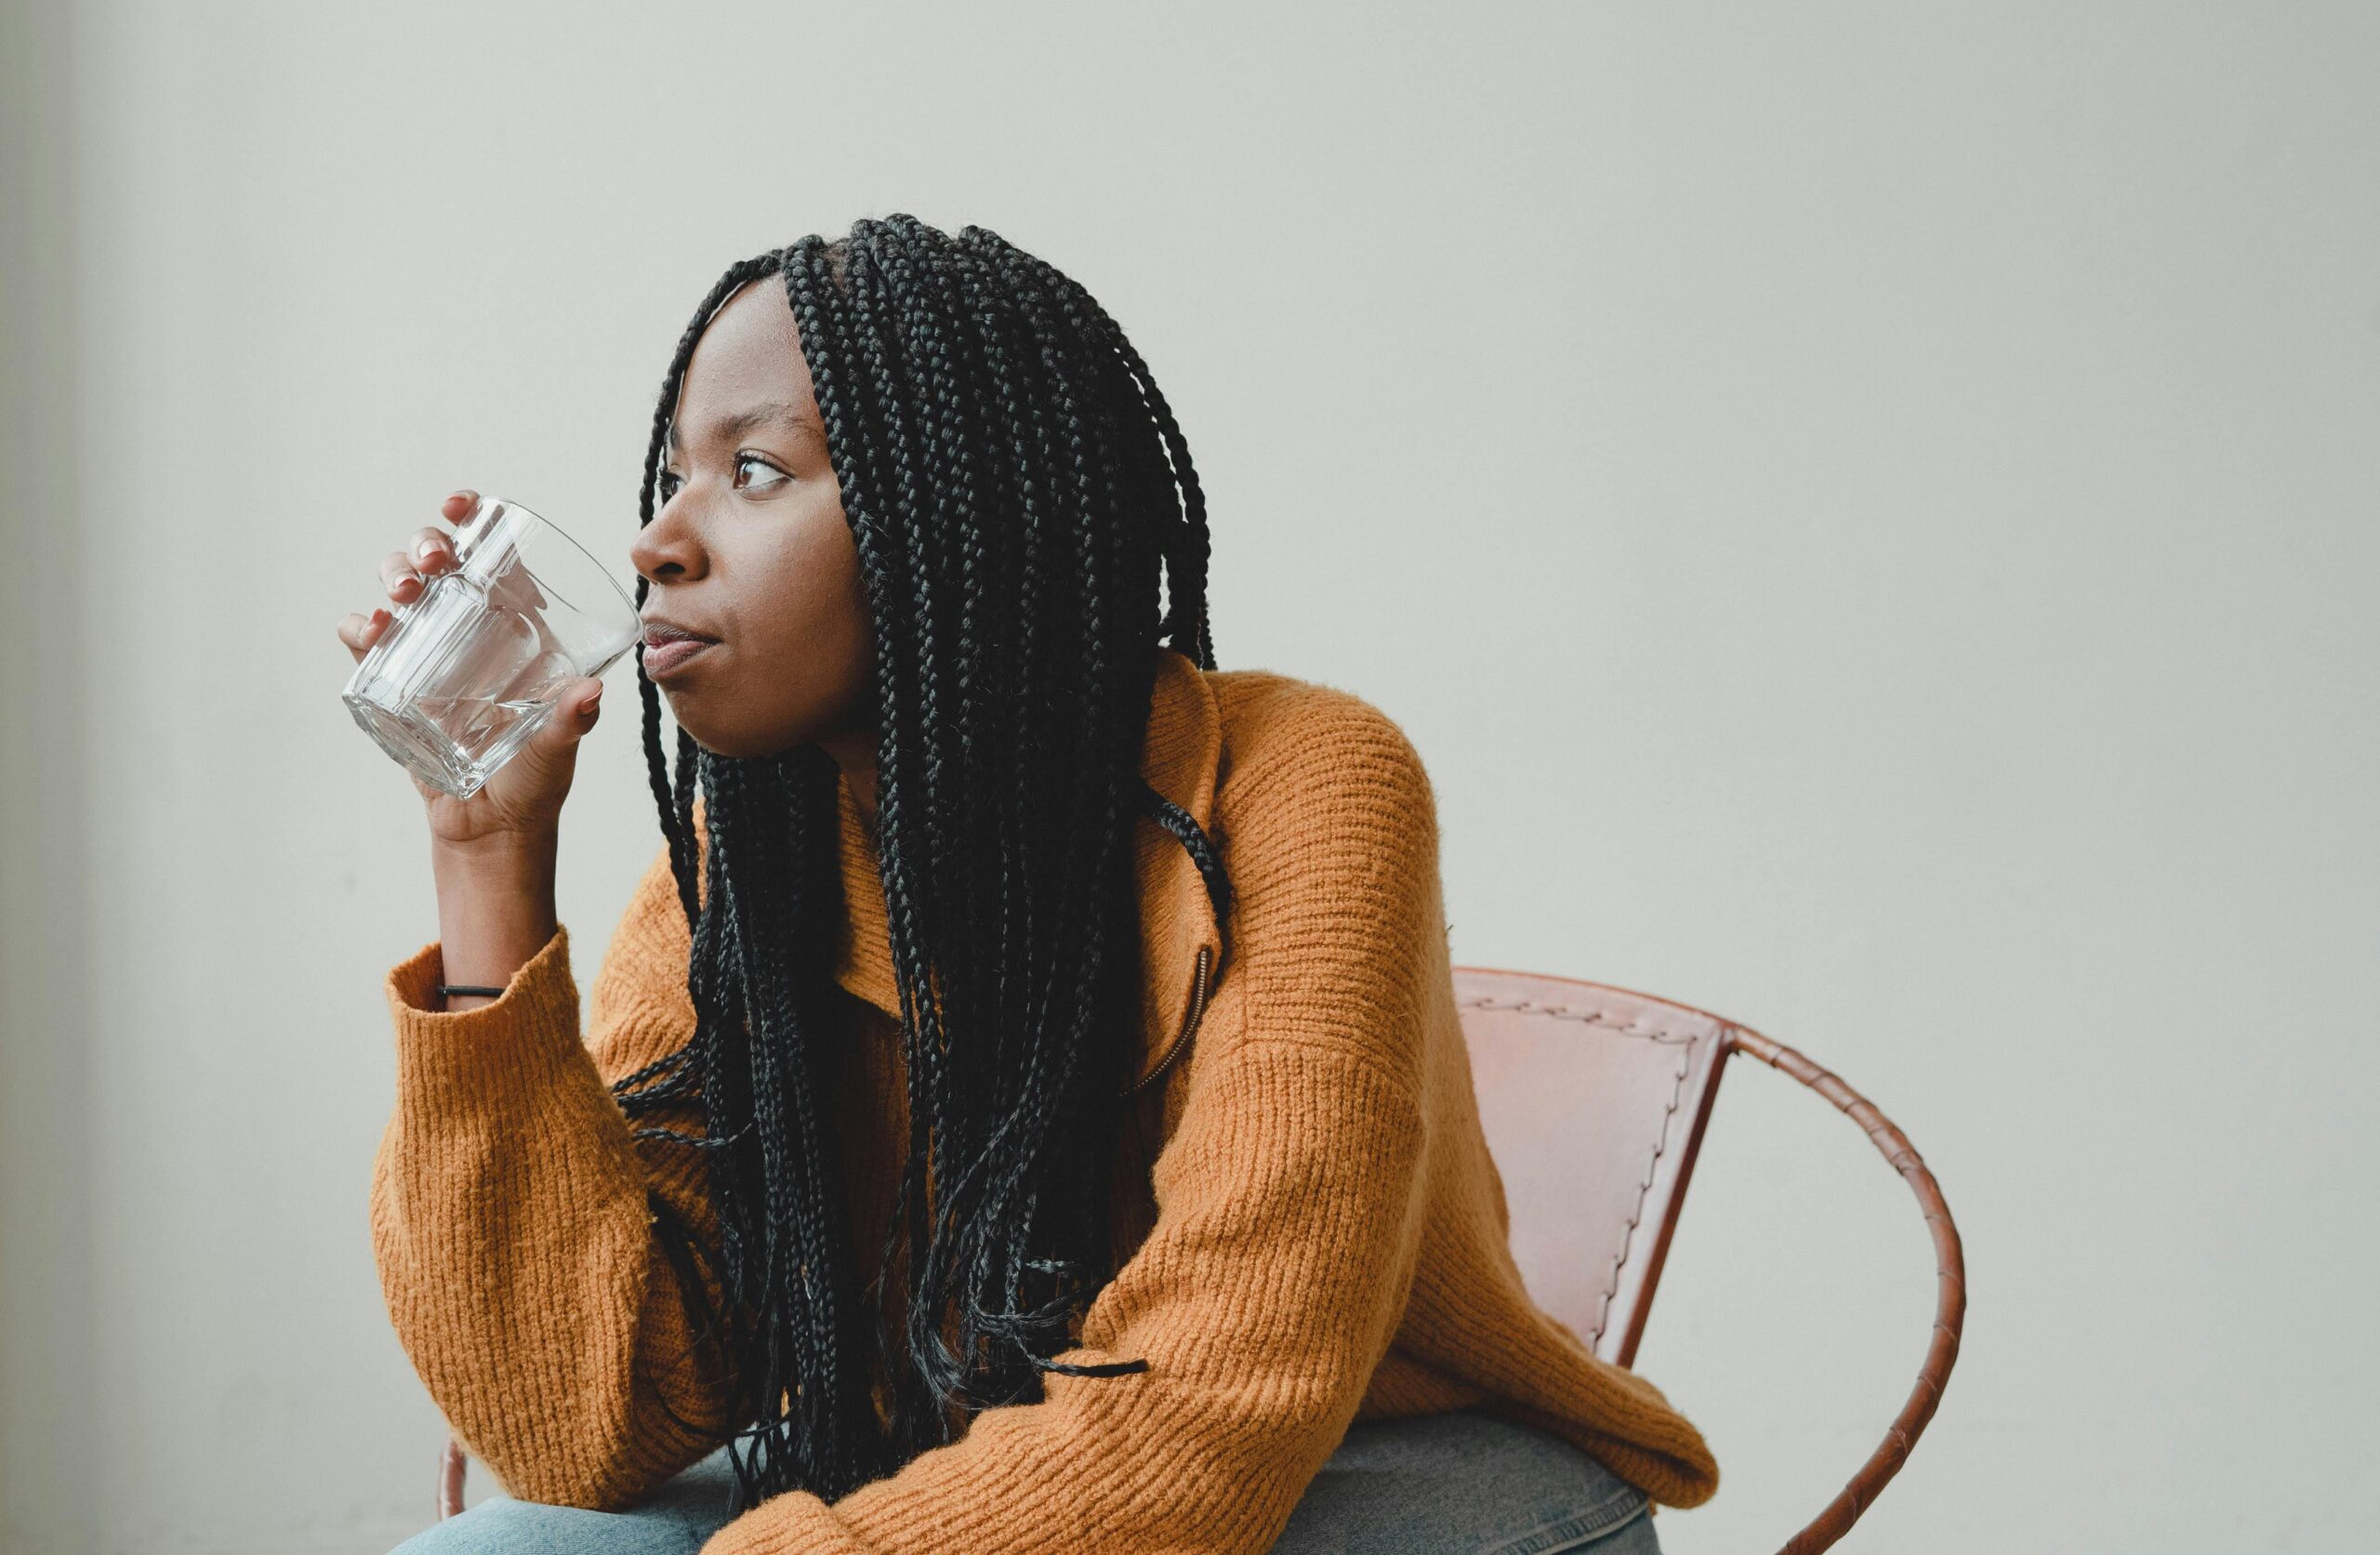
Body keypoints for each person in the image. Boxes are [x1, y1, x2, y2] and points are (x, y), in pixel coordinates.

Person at [338, 215, 1717, 1554]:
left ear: (957, 501)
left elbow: (1211, 1406)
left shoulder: (1306, 786)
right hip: (956, 1466)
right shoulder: (742, 872)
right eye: (673, 479)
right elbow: (585, 1423)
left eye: (752, 471)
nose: (659, 542)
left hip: (1376, 1468)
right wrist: (486, 858)